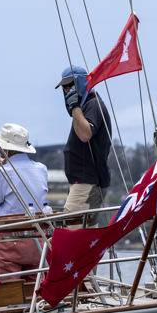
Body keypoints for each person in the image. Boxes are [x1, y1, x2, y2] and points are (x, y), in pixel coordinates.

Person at [0, 123, 49, 277]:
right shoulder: (41, 168)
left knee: (10, 290)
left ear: (7, 149)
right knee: (35, 286)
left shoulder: (0, 173)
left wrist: (1, 169)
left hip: (9, 241)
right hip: (37, 238)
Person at [56, 65, 112, 219]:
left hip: (87, 182)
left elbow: (85, 135)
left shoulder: (93, 105)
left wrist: (74, 107)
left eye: (71, 85)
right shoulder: (85, 107)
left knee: (71, 231)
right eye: (65, 87)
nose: (67, 90)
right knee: (85, 232)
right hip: (82, 182)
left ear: (81, 83)